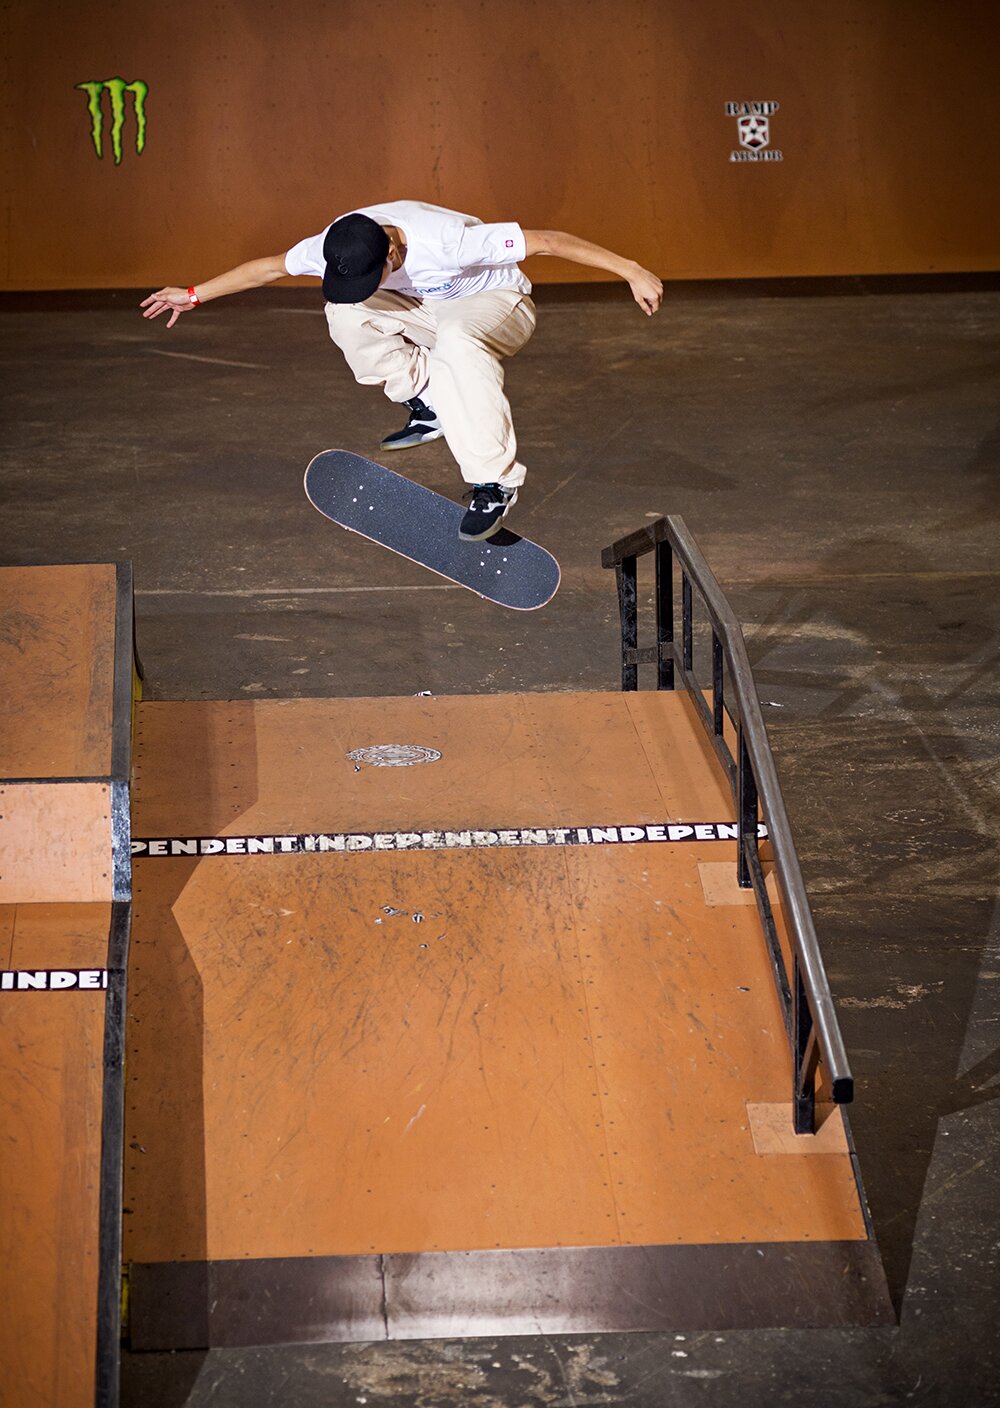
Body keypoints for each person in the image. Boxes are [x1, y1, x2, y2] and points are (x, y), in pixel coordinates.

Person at [141, 200, 663, 541]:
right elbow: (268, 269)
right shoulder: (335, 245)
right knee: (344, 311)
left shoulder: (447, 239)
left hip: (499, 304)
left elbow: (548, 240)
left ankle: (494, 483)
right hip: (430, 310)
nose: (368, 284)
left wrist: (632, 270)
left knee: (457, 342)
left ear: (392, 249)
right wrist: (193, 295)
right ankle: (428, 403)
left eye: (376, 275)